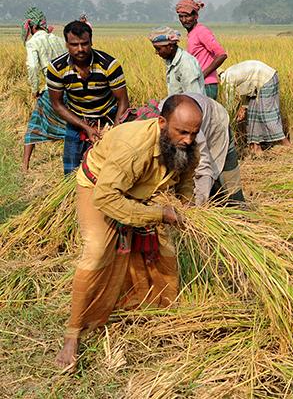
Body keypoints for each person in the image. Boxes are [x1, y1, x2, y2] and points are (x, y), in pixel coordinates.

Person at [54, 95, 202, 370]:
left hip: (144, 191)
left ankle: (150, 307)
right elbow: (107, 197)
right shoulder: (133, 148)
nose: (189, 140)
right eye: (182, 132)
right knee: (98, 251)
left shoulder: (188, 145)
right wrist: (157, 214)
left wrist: (184, 207)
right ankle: (73, 334)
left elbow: (186, 180)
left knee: (165, 249)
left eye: (194, 133)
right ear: (161, 123)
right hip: (100, 189)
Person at [47, 20, 130, 174]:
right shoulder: (57, 68)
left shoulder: (109, 65)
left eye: (84, 44)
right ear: (66, 44)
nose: (80, 49)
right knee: (72, 173)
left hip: (108, 119)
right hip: (77, 119)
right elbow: (57, 104)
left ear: (91, 41)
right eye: (74, 44)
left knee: (108, 170)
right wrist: (85, 127)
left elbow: (123, 101)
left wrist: (115, 132)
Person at [160, 93, 245, 205]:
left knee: (229, 181)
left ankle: (239, 211)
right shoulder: (161, 128)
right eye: (183, 133)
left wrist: (198, 206)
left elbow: (203, 168)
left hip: (216, 121)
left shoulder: (190, 131)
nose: (188, 140)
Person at [20, 7, 67, 171]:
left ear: (32, 26)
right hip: (69, 88)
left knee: (34, 126)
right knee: (72, 125)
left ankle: (25, 166)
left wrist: (34, 90)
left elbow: (33, 67)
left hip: (51, 89)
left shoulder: (33, 42)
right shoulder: (59, 39)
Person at [219, 60, 290, 154]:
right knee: (252, 114)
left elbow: (229, 106)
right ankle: (255, 147)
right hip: (258, 84)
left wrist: (229, 119)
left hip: (267, 79)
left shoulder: (228, 79)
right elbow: (247, 89)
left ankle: (286, 144)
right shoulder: (229, 74)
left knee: (266, 114)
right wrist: (243, 108)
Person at [176, 0, 227, 100]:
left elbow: (222, 54)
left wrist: (202, 76)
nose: (184, 20)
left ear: (196, 16)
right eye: (181, 17)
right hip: (197, 85)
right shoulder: (192, 33)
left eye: (187, 16)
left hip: (207, 85)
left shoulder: (201, 31)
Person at [149, 27, 205, 95]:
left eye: (158, 49)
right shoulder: (171, 61)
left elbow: (194, 97)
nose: (156, 52)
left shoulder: (186, 63)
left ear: (170, 46)